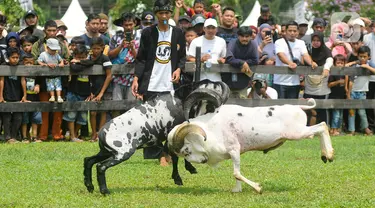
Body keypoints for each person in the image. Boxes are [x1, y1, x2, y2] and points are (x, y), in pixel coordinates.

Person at [131, 0, 186, 166]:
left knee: (171, 120)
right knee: (152, 121)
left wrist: (179, 69)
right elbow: (140, 58)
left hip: (170, 83)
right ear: (156, 14)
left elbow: (182, 56)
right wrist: (136, 78)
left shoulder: (177, 33)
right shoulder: (148, 33)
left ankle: (169, 151)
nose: (164, 16)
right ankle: (158, 155)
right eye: (161, 13)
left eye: (167, 13)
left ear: (170, 14)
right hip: (151, 82)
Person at [31, 20, 68, 141]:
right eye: (49, 30)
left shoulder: (62, 44)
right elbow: (33, 60)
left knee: (58, 108)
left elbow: (67, 58)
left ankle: (57, 134)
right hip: (42, 81)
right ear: (44, 31)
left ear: (57, 31)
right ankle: (43, 135)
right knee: (44, 109)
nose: (52, 33)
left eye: (54, 30)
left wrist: (63, 62)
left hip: (59, 81)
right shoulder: (38, 44)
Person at [273, 21, 317, 99]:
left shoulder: (301, 43)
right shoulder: (279, 42)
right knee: (280, 108)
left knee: (293, 108)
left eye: (294, 31)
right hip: (280, 82)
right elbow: (280, 55)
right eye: (290, 31)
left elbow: (305, 55)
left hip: (295, 82)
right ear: (285, 31)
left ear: (298, 32)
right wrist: (290, 63)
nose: (292, 33)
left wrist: (311, 63)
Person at [109, 12, 140, 118]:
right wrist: (121, 46)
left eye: (130, 24)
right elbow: (110, 55)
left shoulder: (140, 37)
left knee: (132, 108)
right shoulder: (115, 38)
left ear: (135, 24)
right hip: (118, 77)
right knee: (116, 107)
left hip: (133, 78)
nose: (128, 27)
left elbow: (140, 59)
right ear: (122, 25)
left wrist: (132, 48)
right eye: (126, 25)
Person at [63, 45, 92, 142]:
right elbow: (74, 68)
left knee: (83, 116)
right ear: (74, 56)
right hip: (73, 91)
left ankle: (75, 133)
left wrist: (79, 61)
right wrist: (82, 63)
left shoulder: (86, 61)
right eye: (78, 57)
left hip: (85, 93)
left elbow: (91, 62)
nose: (81, 59)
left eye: (83, 57)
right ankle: (72, 135)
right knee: (71, 114)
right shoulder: (72, 62)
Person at [303, 32, 333, 126]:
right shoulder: (308, 50)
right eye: (314, 40)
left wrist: (327, 68)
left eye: (318, 40)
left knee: (322, 109)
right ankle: (308, 128)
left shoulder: (325, 50)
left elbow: (330, 59)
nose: (315, 42)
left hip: (322, 88)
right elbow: (303, 58)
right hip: (309, 86)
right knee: (309, 109)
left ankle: (324, 128)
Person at [0, 47, 28, 143]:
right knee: (6, 117)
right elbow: (1, 81)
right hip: (7, 94)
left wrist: (24, 95)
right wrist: (1, 96)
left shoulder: (20, 66)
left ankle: (14, 136)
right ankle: (7, 137)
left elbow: (23, 80)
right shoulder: (4, 66)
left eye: (17, 57)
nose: (15, 59)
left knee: (18, 117)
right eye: (13, 57)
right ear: (8, 57)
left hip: (18, 95)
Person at [88, 37, 112, 142]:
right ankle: (93, 133)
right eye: (94, 48)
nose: (96, 51)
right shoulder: (89, 58)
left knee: (102, 111)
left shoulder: (105, 58)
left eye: (98, 48)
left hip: (104, 88)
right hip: (93, 88)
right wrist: (91, 91)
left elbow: (109, 75)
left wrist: (101, 93)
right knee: (92, 112)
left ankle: (100, 134)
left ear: (102, 48)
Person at [347, 46, 374, 135]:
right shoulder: (355, 66)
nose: (362, 58)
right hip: (353, 92)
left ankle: (366, 128)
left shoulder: (370, 65)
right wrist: (348, 94)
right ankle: (352, 130)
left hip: (362, 93)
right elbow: (350, 81)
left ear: (368, 57)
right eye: (360, 56)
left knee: (362, 112)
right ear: (358, 56)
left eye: (364, 57)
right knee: (351, 112)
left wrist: (367, 67)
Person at [225, 26, 258, 98]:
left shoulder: (253, 44)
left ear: (250, 37)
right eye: (242, 36)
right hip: (229, 80)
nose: (244, 39)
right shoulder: (232, 43)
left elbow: (255, 60)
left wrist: (244, 63)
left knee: (243, 105)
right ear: (238, 36)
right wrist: (242, 63)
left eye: (247, 36)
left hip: (244, 81)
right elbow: (229, 58)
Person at [21, 54, 42, 143]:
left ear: (34, 63)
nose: (29, 65)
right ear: (23, 63)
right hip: (25, 98)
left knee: (35, 119)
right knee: (25, 119)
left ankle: (34, 137)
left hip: (35, 98)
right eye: (27, 63)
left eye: (31, 62)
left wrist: (38, 85)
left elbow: (40, 81)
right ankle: (25, 137)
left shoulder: (36, 73)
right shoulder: (21, 73)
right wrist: (24, 96)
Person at [37, 38, 65, 103]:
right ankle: (52, 96)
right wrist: (45, 64)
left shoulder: (56, 55)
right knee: (50, 86)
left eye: (55, 50)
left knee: (58, 85)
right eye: (52, 50)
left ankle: (59, 97)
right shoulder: (43, 54)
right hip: (48, 75)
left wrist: (61, 63)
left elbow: (61, 60)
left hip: (56, 74)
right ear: (47, 47)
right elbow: (39, 61)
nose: (54, 51)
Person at [328, 54, 347, 136]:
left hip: (342, 96)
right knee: (336, 114)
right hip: (334, 96)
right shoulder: (333, 73)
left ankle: (337, 129)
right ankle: (334, 129)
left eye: (342, 63)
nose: (340, 65)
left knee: (340, 114)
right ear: (334, 64)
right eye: (338, 63)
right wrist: (338, 82)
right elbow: (329, 85)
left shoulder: (344, 73)